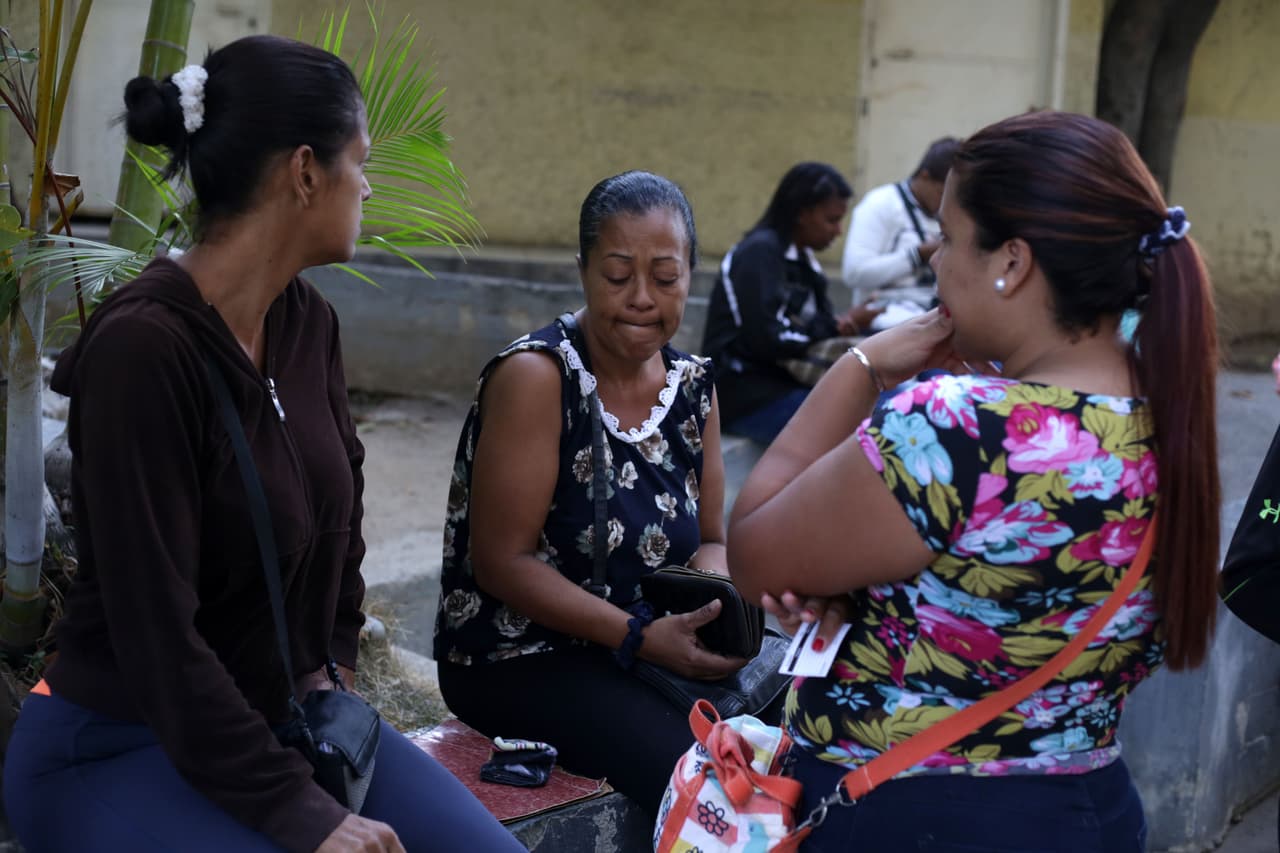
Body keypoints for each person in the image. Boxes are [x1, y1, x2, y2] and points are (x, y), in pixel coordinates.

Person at [2, 36, 525, 853]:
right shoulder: (143, 350)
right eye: (362, 162)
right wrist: (310, 817)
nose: (370, 185)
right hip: (115, 744)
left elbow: (340, 514)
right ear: (306, 172)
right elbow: (156, 640)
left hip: (283, 722)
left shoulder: (306, 322)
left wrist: (332, 673)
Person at [729, 111, 1219, 851]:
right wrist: (868, 589)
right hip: (1092, 810)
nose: (933, 260)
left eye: (950, 236)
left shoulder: (957, 426)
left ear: (1013, 262)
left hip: (913, 813)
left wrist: (861, 367)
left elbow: (753, 551)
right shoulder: (1169, 419)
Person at [434, 171, 754, 816]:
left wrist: (712, 612)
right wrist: (639, 637)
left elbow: (713, 538)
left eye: (665, 279)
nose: (641, 298)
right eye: (617, 276)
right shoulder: (538, 376)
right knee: (707, 781)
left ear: (691, 275)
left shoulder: (694, 387)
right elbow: (503, 563)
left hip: (647, 644)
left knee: (794, 737)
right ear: (581, 269)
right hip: (521, 655)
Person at [702, 162, 873, 444]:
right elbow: (768, 337)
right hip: (745, 391)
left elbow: (815, 325)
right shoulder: (760, 253)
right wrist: (834, 325)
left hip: (785, 384)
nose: (839, 231)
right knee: (855, 429)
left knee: (880, 404)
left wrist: (840, 324)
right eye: (831, 220)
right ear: (802, 213)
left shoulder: (805, 260)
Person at [841, 137, 960, 330]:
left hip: (930, 307)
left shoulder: (946, 212)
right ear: (924, 176)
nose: (945, 203)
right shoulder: (881, 204)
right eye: (941, 193)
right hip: (884, 313)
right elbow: (854, 273)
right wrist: (917, 255)